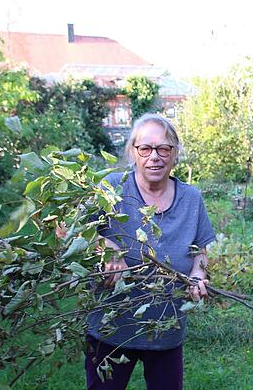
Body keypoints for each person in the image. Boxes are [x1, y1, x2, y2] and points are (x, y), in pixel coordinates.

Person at [85, 113, 215, 390]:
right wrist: (108, 248)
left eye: (163, 148)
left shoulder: (191, 198)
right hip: (112, 327)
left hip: (166, 327)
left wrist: (197, 274)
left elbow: (199, 251)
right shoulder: (112, 188)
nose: (154, 156)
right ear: (133, 152)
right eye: (145, 148)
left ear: (174, 154)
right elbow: (76, 231)